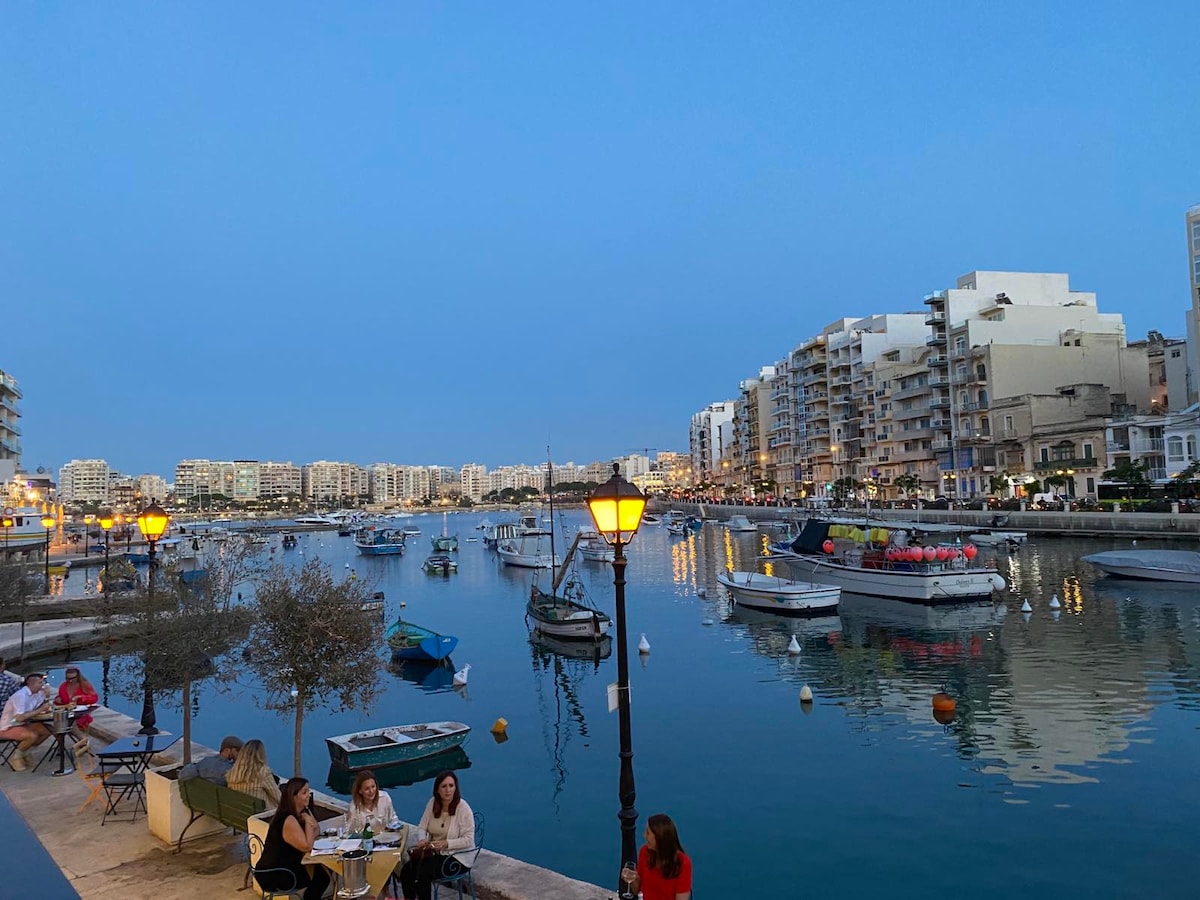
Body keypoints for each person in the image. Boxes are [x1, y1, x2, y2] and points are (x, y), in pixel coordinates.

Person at [398, 771, 475, 900]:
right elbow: (422, 827)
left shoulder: (463, 808)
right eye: (444, 786)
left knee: (423, 873)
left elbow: (468, 839)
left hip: (457, 858)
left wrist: (447, 843)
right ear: (437, 789)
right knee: (406, 870)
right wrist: (422, 839)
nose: (448, 790)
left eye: (451, 786)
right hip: (435, 853)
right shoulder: (432, 803)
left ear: (456, 788)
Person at [256, 776, 330, 900]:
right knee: (321, 877)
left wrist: (307, 818)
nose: (309, 795)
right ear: (294, 797)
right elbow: (307, 846)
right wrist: (307, 821)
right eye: (304, 792)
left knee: (323, 873)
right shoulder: (288, 819)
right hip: (274, 872)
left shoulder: (302, 810)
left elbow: (316, 829)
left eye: (308, 791)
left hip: (286, 864)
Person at [630, 814, 692, 900]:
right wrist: (632, 878)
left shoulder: (682, 862)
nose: (644, 835)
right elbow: (636, 890)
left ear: (659, 837)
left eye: (648, 833)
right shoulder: (644, 852)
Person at [0, 673, 53, 771]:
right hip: (9, 726)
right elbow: (19, 717)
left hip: (24, 723)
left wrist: (47, 696)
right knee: (32, 735)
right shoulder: (21, 696)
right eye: (40, 683)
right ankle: (16, 758)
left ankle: (25, 751)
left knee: (47, 731)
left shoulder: (38, 693)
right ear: (31, 684)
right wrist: (40, 710)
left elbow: (41, 707)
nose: (43, 685)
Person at [225, 739, 281, 807]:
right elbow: (279, 798)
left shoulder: (233, 773)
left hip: (240, 812)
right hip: (261, 815)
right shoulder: (262, 772)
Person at [345, 769, 397, 835]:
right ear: (360, 791)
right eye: (367, 789)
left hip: (386, 839)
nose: (371, 791)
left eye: (373, 787)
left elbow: (393, 819)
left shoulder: (385, 798)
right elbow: (349, 832)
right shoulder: (354, 807)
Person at [55, 666, 99, 731]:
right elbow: (59, 700)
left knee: (73, 724)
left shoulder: (84, 685)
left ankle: (81, 739)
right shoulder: (63, 686)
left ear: (78, 677)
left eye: (73, 678)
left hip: (81, 714)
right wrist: (58, 700)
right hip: (67, 713)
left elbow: (94, 698)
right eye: (68, 678)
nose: (70, 680)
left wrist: (81, 697)